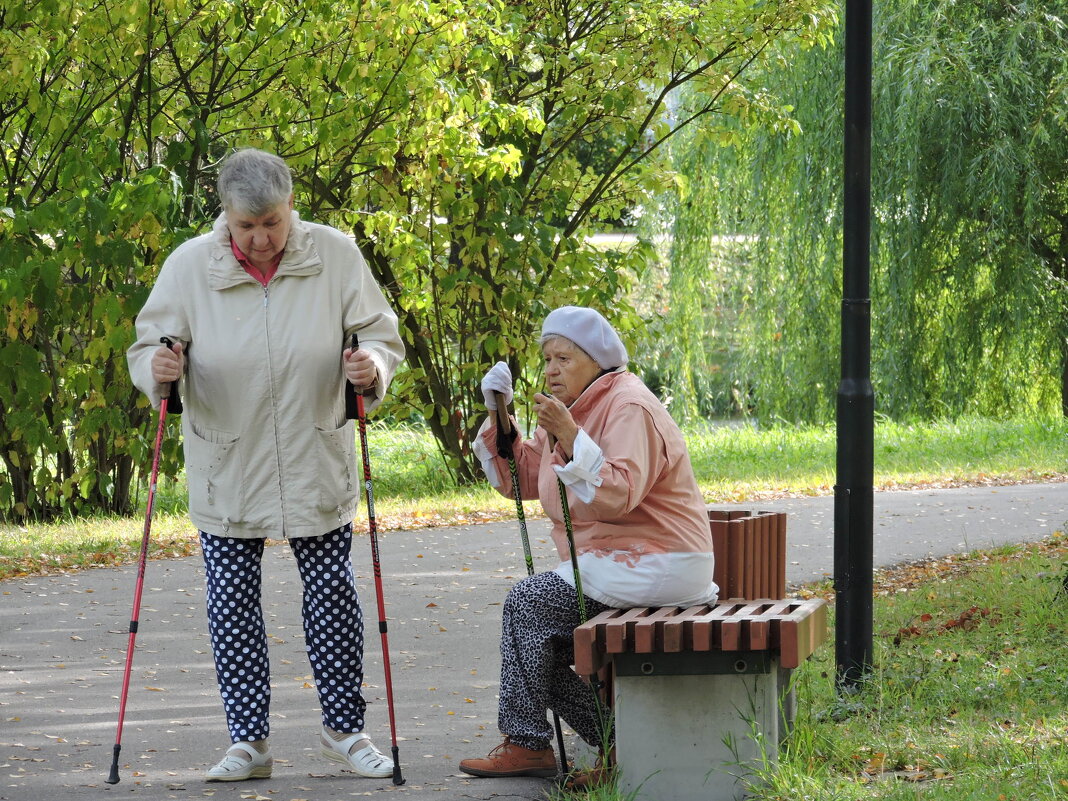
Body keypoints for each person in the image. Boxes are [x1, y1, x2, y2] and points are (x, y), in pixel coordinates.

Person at [126, 148, 405, 782]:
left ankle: (345, 730)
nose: (261, 239)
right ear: (224, 216)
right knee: (231, 605)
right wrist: (157, 370)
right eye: (246, 226)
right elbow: (150, 344)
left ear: (290, 209)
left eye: (273, 223)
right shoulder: (189, 267)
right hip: (228, 462)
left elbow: (380, 335)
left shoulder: (334, 255)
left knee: (331, 596)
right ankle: (248, 744)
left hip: (315, 451)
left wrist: (372, 367)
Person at [458, 306, 718, 785]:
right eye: (547, 359)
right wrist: (502, 415)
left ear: (596, 361)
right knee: (540, 641)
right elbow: (527, 479)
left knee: (527, 604)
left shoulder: (628, 405)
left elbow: (618, 494)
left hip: (659, 558)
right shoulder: (572, 407)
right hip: (618, 559)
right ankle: (620, 741)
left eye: (563, 359)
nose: (552, 370)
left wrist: (571, 435)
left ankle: (526, 743)